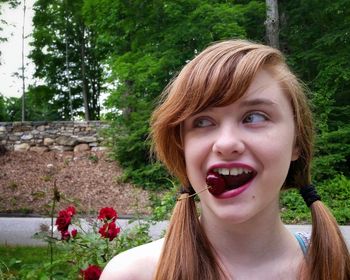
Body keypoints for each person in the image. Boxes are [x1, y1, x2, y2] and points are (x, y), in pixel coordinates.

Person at [100, 39, 350, 280]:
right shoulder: (132, 275)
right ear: (182, 146)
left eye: (254, 117)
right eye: (202, 121)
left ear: (296, 141)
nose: (226, 143)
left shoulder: (339, 267)